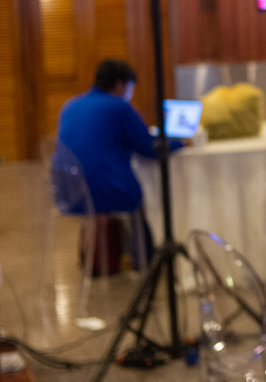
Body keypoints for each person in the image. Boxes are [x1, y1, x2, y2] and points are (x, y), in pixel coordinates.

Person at [56, 60, 180, 269]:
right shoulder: (118, 107)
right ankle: (145, 261)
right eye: (131, 88)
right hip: (103, 191)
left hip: (67, 191)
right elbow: (149, 148)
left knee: (116, 184)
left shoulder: (71, 104)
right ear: (121, 85)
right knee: (134, 197)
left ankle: (101, 258)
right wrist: (180, 143)